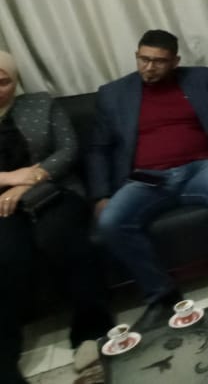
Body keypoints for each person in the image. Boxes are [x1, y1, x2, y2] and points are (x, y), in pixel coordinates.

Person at [87, 30, 208, 331]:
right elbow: (98, 149)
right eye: (143, 59)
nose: (149, 67)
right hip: (145, 179)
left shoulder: (203, 80)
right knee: (111, 221)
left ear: (175, 61)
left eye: (159, 61)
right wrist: (101, 194)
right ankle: (161, 296)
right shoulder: (113, 94)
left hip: (200, 168)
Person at [0, 51, 113, 382]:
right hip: (2, 204)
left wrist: (28, 182)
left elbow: (68, 149)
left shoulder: (41, 104)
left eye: (3, 81)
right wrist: (10, 179)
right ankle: (4, 357)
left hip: (55, 191)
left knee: (63, 241)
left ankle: (91, 331)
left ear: (15, 80)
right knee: (6, 257)